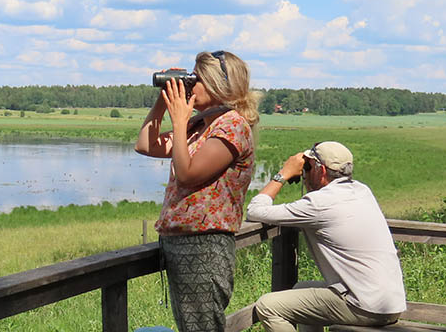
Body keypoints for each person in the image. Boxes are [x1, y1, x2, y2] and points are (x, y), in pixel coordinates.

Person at [135, 51, 259, 332]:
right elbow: (145, 145)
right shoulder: (199, 127)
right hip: (182, 245)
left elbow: (188, 174)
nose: (190, 86)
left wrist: (179, 122)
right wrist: (163, 102)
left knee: (201, 328)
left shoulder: (232, 126)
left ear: (218, 85)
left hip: (205, 249)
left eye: (196, 79)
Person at [246, 141, 406, 332]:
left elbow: (255, 210)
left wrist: (284, 174)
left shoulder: (319, 203)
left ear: (321, 170)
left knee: (268, 306)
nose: (305, 172)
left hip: (365, 307)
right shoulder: (362, 191)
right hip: (390, 303)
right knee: (301, 289)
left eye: (308, 167)